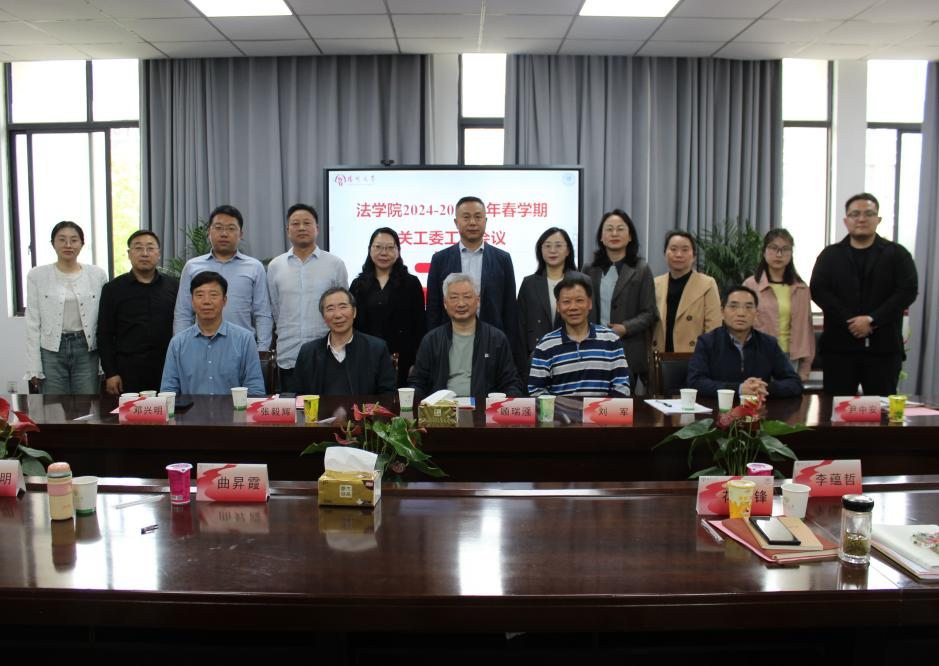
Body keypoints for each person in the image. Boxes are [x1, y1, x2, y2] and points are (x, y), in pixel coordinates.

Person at [810, 193, 918, 395]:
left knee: (881, 410)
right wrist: (850, 320)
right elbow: (818, 290)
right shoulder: (830, 255)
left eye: (869, 214)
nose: (861, 219)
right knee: (837, 409)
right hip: (839, 350)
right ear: (846, 220)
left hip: (883, 350)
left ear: (878, 219)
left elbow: (907, 291)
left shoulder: (897, 254)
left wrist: (872, 320)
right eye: (855, 214)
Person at [267, 203, 348, 392]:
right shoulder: (275, 266)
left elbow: (344, 310)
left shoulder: (335, 264)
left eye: (307, 223)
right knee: (292, 409)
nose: (301, 228)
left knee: (330, 409)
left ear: (317, 228)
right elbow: (276, 309)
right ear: (288, 230)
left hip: (328, 356)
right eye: (295, 224)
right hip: (289, 355)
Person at [173, 204, 273, 351]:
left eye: (231, 228)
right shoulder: (192, 267)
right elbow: (183, 313)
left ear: (241, 234)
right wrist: (181, 348)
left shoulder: (254, 267)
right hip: (200, 346)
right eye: (218, 228)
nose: (224, 234)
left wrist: (261, 350)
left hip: (242, 347)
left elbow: (263, 313)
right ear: (209, 232)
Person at [410, 273, 523, 400]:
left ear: (478, 301)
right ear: (445, 303)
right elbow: (417, 383)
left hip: (483, 407)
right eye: (454, 297)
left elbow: (511, 383)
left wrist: (502, 403)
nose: (461, 303)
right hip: (442, 408)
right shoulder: (431, 340)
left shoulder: (496, 339)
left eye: (467, 297)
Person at [25, 221, 108, 394]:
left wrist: (104, 362)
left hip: (86, 348)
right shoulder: (37, 275)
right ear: (53, 243)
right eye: (62, 240)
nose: (68, 245)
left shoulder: (97, 274)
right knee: (53, 405)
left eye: (74, 240)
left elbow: (104, 320)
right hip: (51, 349)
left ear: (82, 244)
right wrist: (33, 366)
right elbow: (32, 323)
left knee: (87, 403)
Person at [582, 210, 657, 391]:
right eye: (609, 229)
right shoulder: (589, 268)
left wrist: (625, 328)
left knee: (621, 403)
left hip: (627, 349)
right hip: (592, 347)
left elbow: (650, 313)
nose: (614, 234)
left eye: (620, 229)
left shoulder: (641, 269)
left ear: (630, 236)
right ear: (601, 237)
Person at [97, 230, 178, 395]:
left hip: (166, 368)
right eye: (138, 248)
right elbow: (104, 334)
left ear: (158, 254)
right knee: (131, 411)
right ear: (129, 254)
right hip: (127, 370)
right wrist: (111, 373)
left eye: (150, 248)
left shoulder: (174, 286)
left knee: (168, 410)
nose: (144, 253)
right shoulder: (112, 289)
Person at [425, 196, 518, 339]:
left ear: (485, 221)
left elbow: (510, 307)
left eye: (478, 217)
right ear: (456, 222)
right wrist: (434, 342)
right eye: (466, 217)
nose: (472, 222)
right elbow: (433, 307)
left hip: (492, 340)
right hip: (450, 338)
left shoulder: (502, 259)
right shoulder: (440, 259)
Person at [687, 285, 803, 399]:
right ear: (722, 312)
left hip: (758, 408)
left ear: (756, 313)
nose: (741, 313)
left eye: (748, 307)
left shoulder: (769, 344)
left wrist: (763, 388)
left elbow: (794, 383)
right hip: (719, 408)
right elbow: (695, 382)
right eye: (733, 306)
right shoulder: (707, 342)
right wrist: (739, 389)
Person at [161, 271, 265, 396]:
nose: (206, 301)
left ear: (224, 300)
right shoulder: (177, 343)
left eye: (213, 295)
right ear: (192, 301)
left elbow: (255, 389)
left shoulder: (245, 340)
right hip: (191, 409)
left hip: (234, 409)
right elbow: (168, 391)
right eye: (200, 295)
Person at [528, 275, 630, 397]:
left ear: (590, 303)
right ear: (558, 306)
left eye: (579, 300)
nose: (573, 307)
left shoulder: (611, 340)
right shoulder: (545, 345)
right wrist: (564, 408)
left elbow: (622, 387)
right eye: (566, 302)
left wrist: (596, 408)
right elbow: (537, 391)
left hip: (602, 409)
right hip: (560, 410)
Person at [349, 228, 426, 387]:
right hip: (365, 358)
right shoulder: (358, 285)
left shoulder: (411, 283)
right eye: (378, 247)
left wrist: (417, 362)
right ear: (370, 250)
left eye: (390, 248)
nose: (384, 253)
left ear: (398, 251)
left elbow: (419, 326)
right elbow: (352, 325)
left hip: (403, 359)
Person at [293, 288, 396, 396]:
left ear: (354, 312)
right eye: (330, 309)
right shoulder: (308, 352)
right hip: (320, 408)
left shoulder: (377, 349)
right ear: (323, 317)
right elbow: (298, 395)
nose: (337, 315)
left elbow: (388, 394)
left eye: (343, 307)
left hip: (364, 408)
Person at [743, 229, 815, 381]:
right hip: (758, 355)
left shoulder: (801, 288)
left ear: (791, 253)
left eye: (785, 249)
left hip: (791, 358)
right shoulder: (751, 285)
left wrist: (806, 366)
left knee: (788, 396)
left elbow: (807, 329)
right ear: (764, 251)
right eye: (773, 248)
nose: (779, 254)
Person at [516, 227, 588, 366]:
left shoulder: (582, 281)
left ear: (568, 251)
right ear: (540, 251)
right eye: (547, 246)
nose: (552, 250)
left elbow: (591, 321)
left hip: (573, 355)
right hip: (537, 355)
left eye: (558, 245)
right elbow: (520, 326)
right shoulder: (529, 283)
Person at [652, 230, 721, 353]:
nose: (678, 254)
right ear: (665, 253)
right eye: (673, 249)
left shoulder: (707, 284)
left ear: (694, 256)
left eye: (685, 250)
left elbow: (713, 327)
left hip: (694, 355)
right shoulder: (655, 284)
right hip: (659, 355)